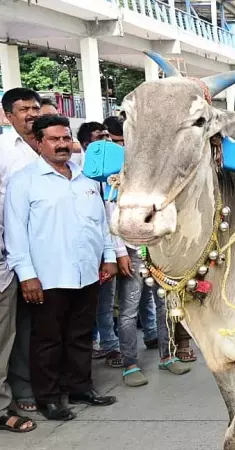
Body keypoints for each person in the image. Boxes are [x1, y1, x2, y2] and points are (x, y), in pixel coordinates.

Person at [5, 115, 119, 420]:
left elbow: (102, 222)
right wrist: (27, 276)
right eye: (54, 139)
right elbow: (15, 234)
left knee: (81, 334)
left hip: (87, 272)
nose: (62, 145)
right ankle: (50, 397)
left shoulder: (86, 178)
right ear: (38, 143)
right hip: (48, 275)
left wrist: (108, 256)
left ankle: (80, 386)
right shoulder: (24, 181)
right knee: (48, 339)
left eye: (65, 138)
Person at [0, 88, 40, 431]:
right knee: (11, 330)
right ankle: (16, 393)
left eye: (34, 108)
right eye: (23, 109)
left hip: (49, 251)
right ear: (7, 116)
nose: (30, 113)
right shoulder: (3, 151)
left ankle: (39, 386)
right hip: (12, 253)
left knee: (40, 325)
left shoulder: (56, 146)